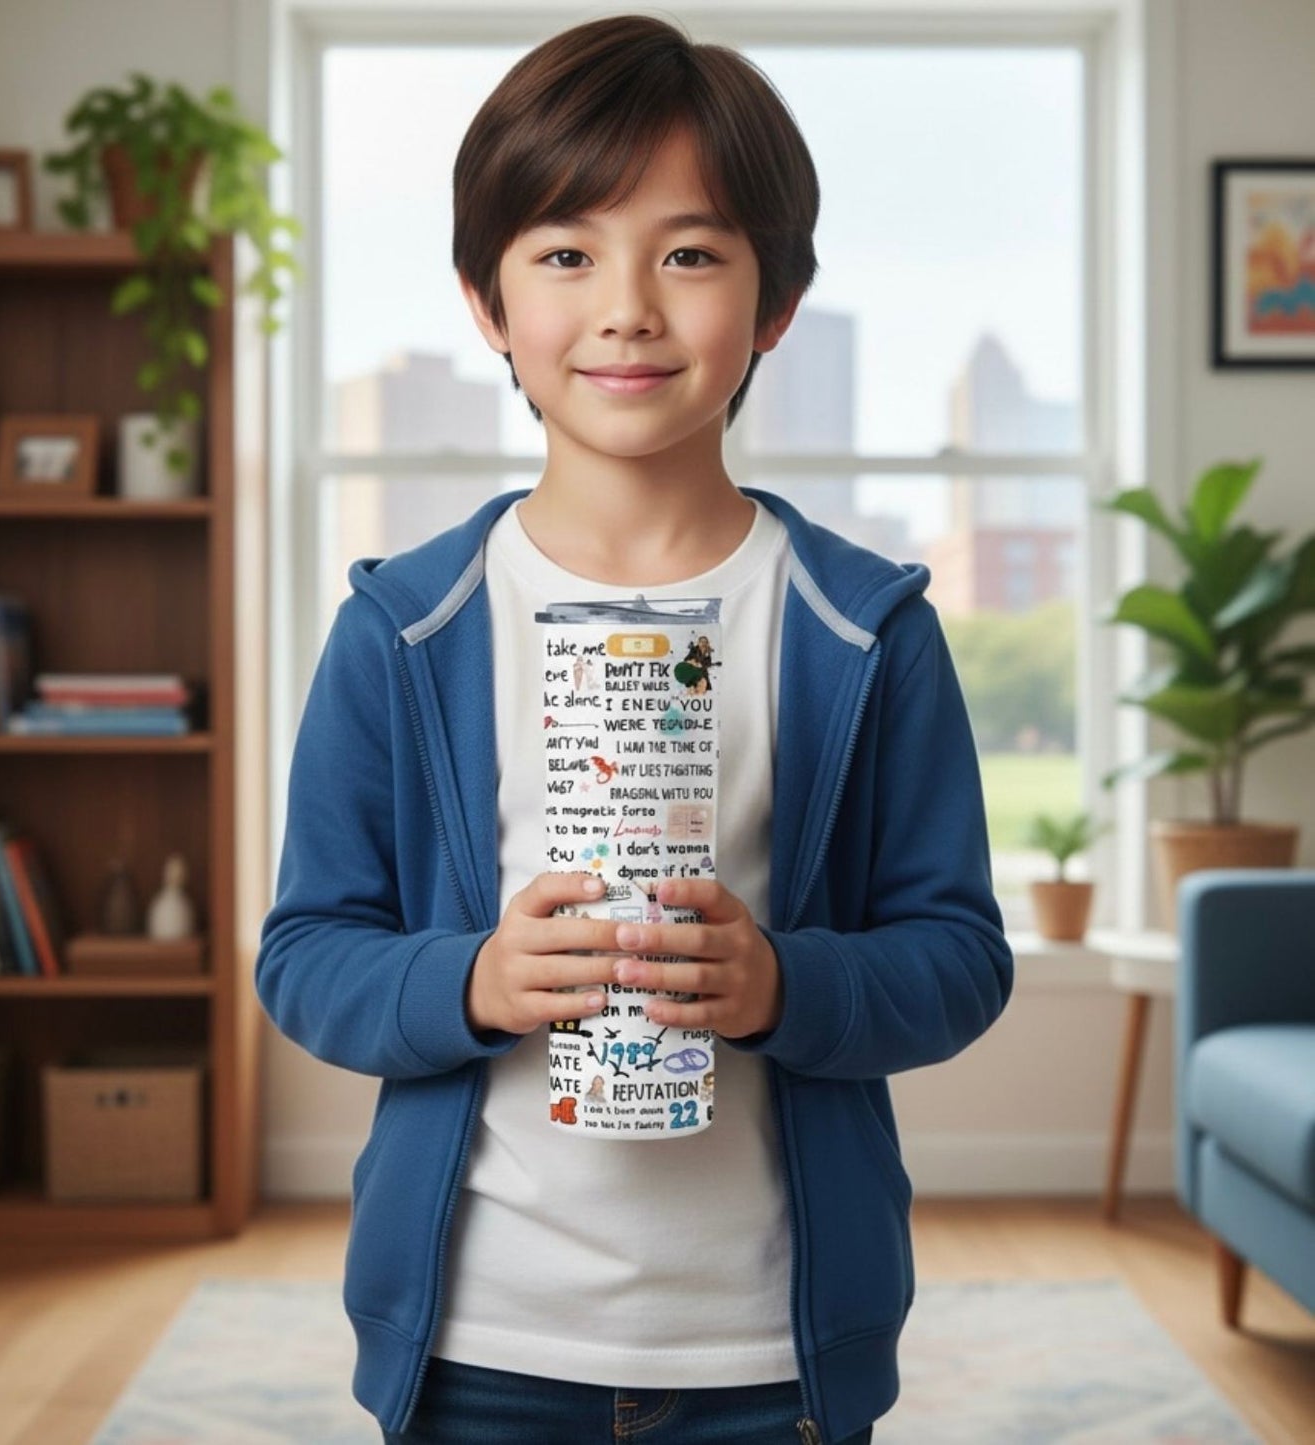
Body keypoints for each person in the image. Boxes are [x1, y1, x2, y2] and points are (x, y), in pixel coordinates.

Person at [255, 14, 1014, 1445]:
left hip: (774, 1355)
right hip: (477, 1339)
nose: (625, 308)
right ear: (486, 301)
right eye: (564, 252)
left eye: (688, 252)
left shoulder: (862, 629)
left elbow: (959, 959)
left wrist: (781, 982)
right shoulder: (405, 628)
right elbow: (304, 957)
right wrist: (471, 976)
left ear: (774, 302)